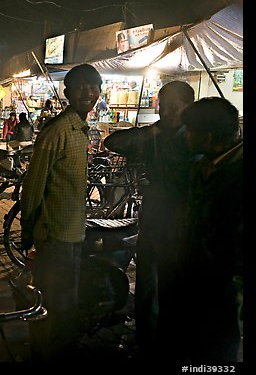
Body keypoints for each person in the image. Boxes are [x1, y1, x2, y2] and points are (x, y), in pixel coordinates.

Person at [103, 80, 195, 359]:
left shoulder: (195, 138)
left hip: (183, 221)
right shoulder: (154, 135)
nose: (166, 114)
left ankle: (169, 341)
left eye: (175, 108)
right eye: (163, 108)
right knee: (147, 280)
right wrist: (151, 133)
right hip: (154, 214)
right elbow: (113, 142)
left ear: (189, 108)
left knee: (173, 284)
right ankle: (146, 338)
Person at [21, 63, 102, 361]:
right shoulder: (57, 132)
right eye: (80, 86)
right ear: (67, 92)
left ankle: (62, 349)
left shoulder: (81, 131)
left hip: (74, 231)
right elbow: (33, 187)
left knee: (68, 301)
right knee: (56, 303)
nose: (88, 92)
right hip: (55, 234)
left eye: (93, 87)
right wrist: (27, 230)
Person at [154, 97, 242, 362]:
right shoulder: (201, 164)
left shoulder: (237, 175)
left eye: (190, 131)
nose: (186, 137)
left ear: (209, 136)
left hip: (219, 285)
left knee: (214, 347)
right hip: (188, 274)